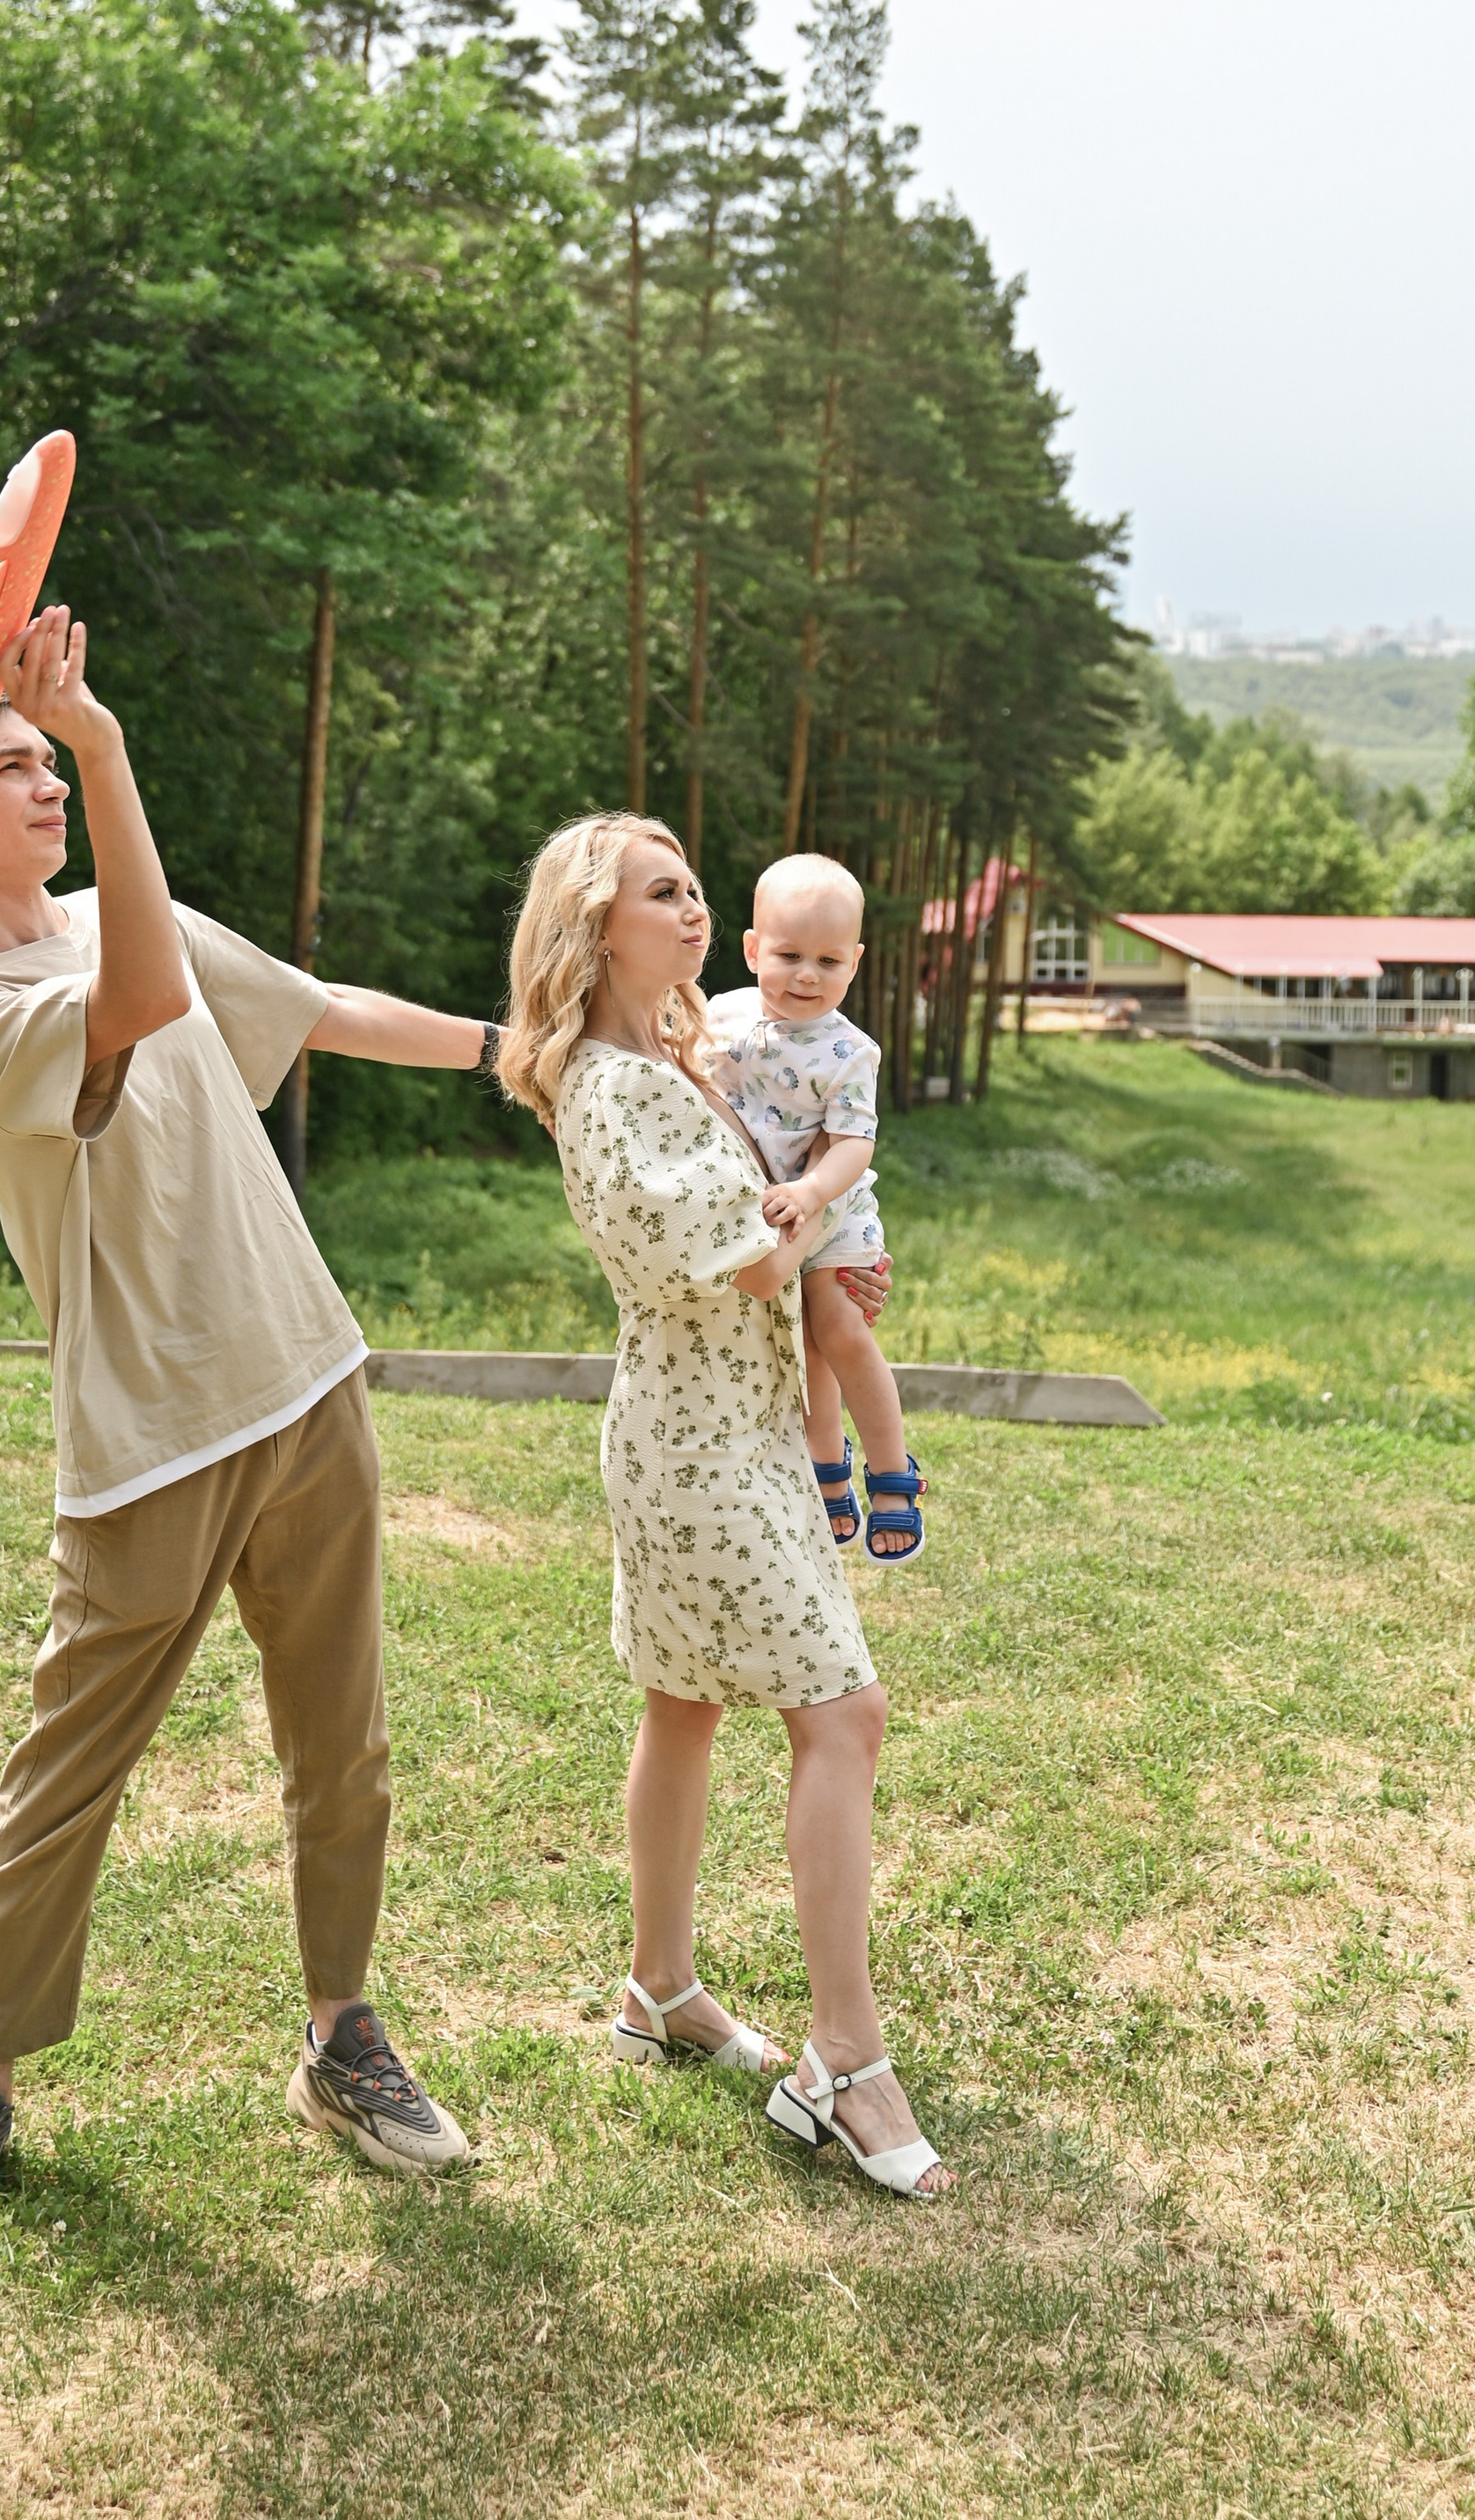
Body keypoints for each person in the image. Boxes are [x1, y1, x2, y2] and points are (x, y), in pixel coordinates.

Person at [0, 600, 496, 2252]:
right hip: (145, 1438)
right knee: (64, 1778)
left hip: (305, 1382)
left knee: (340, 1749)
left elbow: (318, 1009)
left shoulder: (118, 902)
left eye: (45, 759)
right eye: (11, 766)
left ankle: (342, 2041)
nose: (46, 780)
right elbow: (135, 997)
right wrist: (110, 743)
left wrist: (525, 1057)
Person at [499, 812, 951, 2200]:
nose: (693, 911)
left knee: (684, 1704)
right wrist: (821, 1232)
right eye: (665, 893)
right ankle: (846, 2058)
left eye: (698, 888)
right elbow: (757, 1263)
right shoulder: (617, 1086)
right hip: (698, 1449)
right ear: (596, 925)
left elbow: (782, 1217)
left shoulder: (674, 1059)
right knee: (844, 1710)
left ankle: (658, 1984)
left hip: (729, 1427)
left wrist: (811, 1231)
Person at [703, 854, 923, 1561]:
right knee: (801, 1349)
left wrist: (812, 1191)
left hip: (832, 1207)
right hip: (769, 1209)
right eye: (789, 954)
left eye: (828, 961)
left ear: (855, 962)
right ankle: (826, 1466)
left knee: (837, 1329)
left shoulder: (849, 1050)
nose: (806, 975)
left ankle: (892, 1472)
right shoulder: (724, 1013)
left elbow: (855, 1144)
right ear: (750, 949)